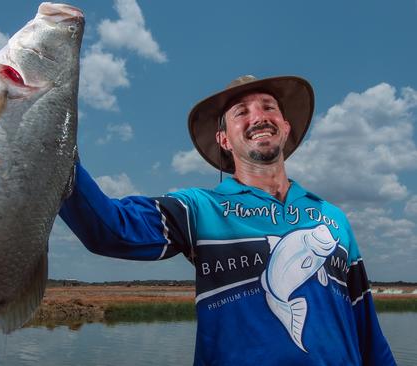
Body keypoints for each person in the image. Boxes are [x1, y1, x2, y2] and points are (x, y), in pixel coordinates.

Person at [59, 75, 396, 365]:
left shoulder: (332, 218)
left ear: (286, 127)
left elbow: (366, 326)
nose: (259, 116)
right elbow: (110, 230)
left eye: (268, 106)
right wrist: (53, 148)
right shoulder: (201, 208)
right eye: (241, 112)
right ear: (224, 139)